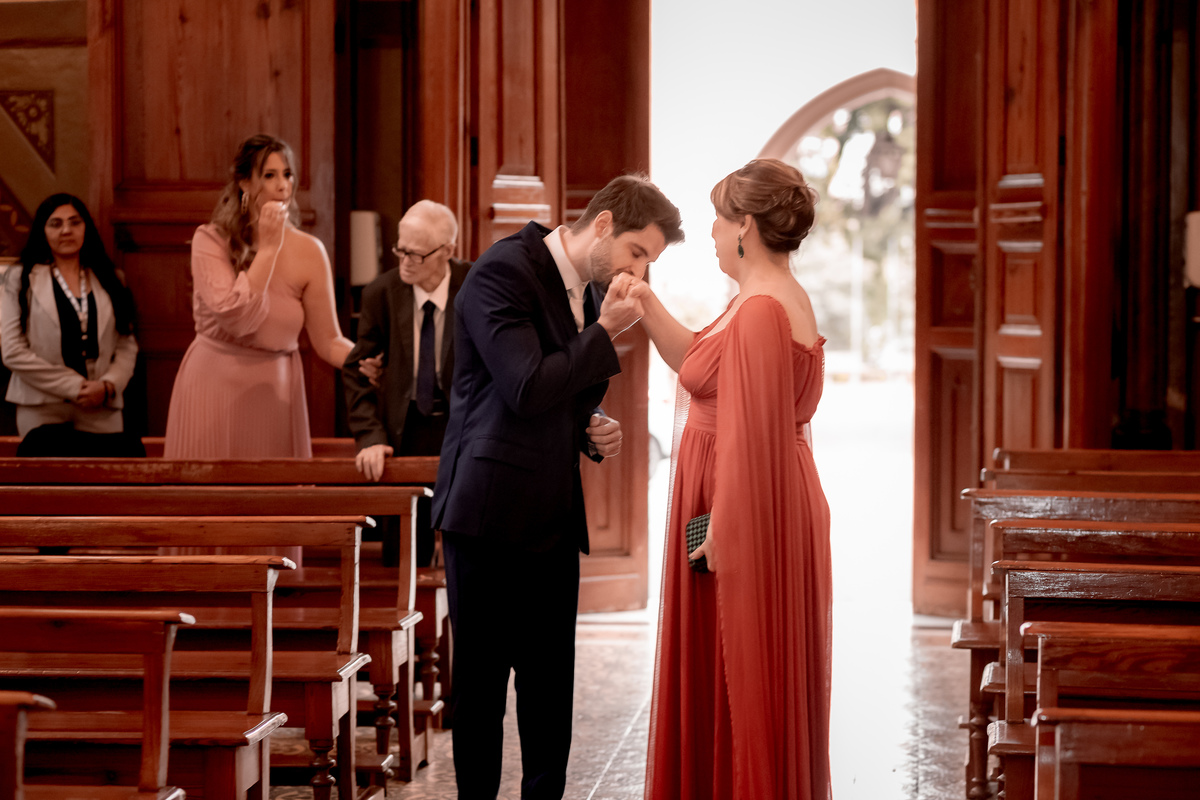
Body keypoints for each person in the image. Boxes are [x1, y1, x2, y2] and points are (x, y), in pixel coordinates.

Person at [432, 174, 684, 799]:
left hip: (550, 515)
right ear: (602, 225)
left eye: (648, 260)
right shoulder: (502, 271)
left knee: (550, 692)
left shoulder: (592, 287)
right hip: (487, 516)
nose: (640, 272)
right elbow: (523, 387)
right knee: (483, 691)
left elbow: (555, 396)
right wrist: (607, 331)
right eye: (638, 252)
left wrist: (586, 427)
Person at [637, 158, 832, 799]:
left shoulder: (758, 312)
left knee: (736, 673)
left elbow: (750, 435)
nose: (714, 236)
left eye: (719, 222)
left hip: (740, 502)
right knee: (742, 677)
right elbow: (698, 363)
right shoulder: (764, 300)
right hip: (759, 496)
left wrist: (725, 523)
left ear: (745, 226)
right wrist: (642, 298)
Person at [163, 134, 353, 458]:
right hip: (212, 387)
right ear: (244, 183)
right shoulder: (210, 240)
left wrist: (371, 362)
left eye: (287, 174)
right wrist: (268, 249)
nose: (282, 185)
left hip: (275, 393)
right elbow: (235, 317)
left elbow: (329, 341)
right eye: (269, 175)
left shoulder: (310, 250)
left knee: (271, 501)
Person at [342, 200, 470, 566]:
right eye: (401, 250)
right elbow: (356, 369)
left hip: (461, 426)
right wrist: (370, 436)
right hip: (406, 429)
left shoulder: (476, 286)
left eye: (416, 254)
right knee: (405, 553)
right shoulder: (381, 293)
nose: (405, 262)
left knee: (465, 549)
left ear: (447, 251)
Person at [1, 193, 143, 457]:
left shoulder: (112, 279)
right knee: (48, 491)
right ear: (43, 230)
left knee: (106, 490)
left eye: (74, 222)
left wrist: (108, 385)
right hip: (42, 405)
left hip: (101, 405)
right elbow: (12, 350)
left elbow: (126, 344)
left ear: (85, 228)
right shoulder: (19, 279)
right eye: (55, 224)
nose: (66, 230)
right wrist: (74, 387)